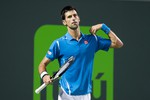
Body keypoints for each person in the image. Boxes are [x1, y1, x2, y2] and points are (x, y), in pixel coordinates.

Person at [38, 5, 123, 100]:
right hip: (66, 94)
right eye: (69, 17)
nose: (73, 18)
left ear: (79, 18)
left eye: (75, 15)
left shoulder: (93, 40)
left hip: (86, 94)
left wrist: (103, 27)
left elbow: (118, 44)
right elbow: (42, 64)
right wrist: (44, 75)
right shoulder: (58, 43)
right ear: (64, 22)